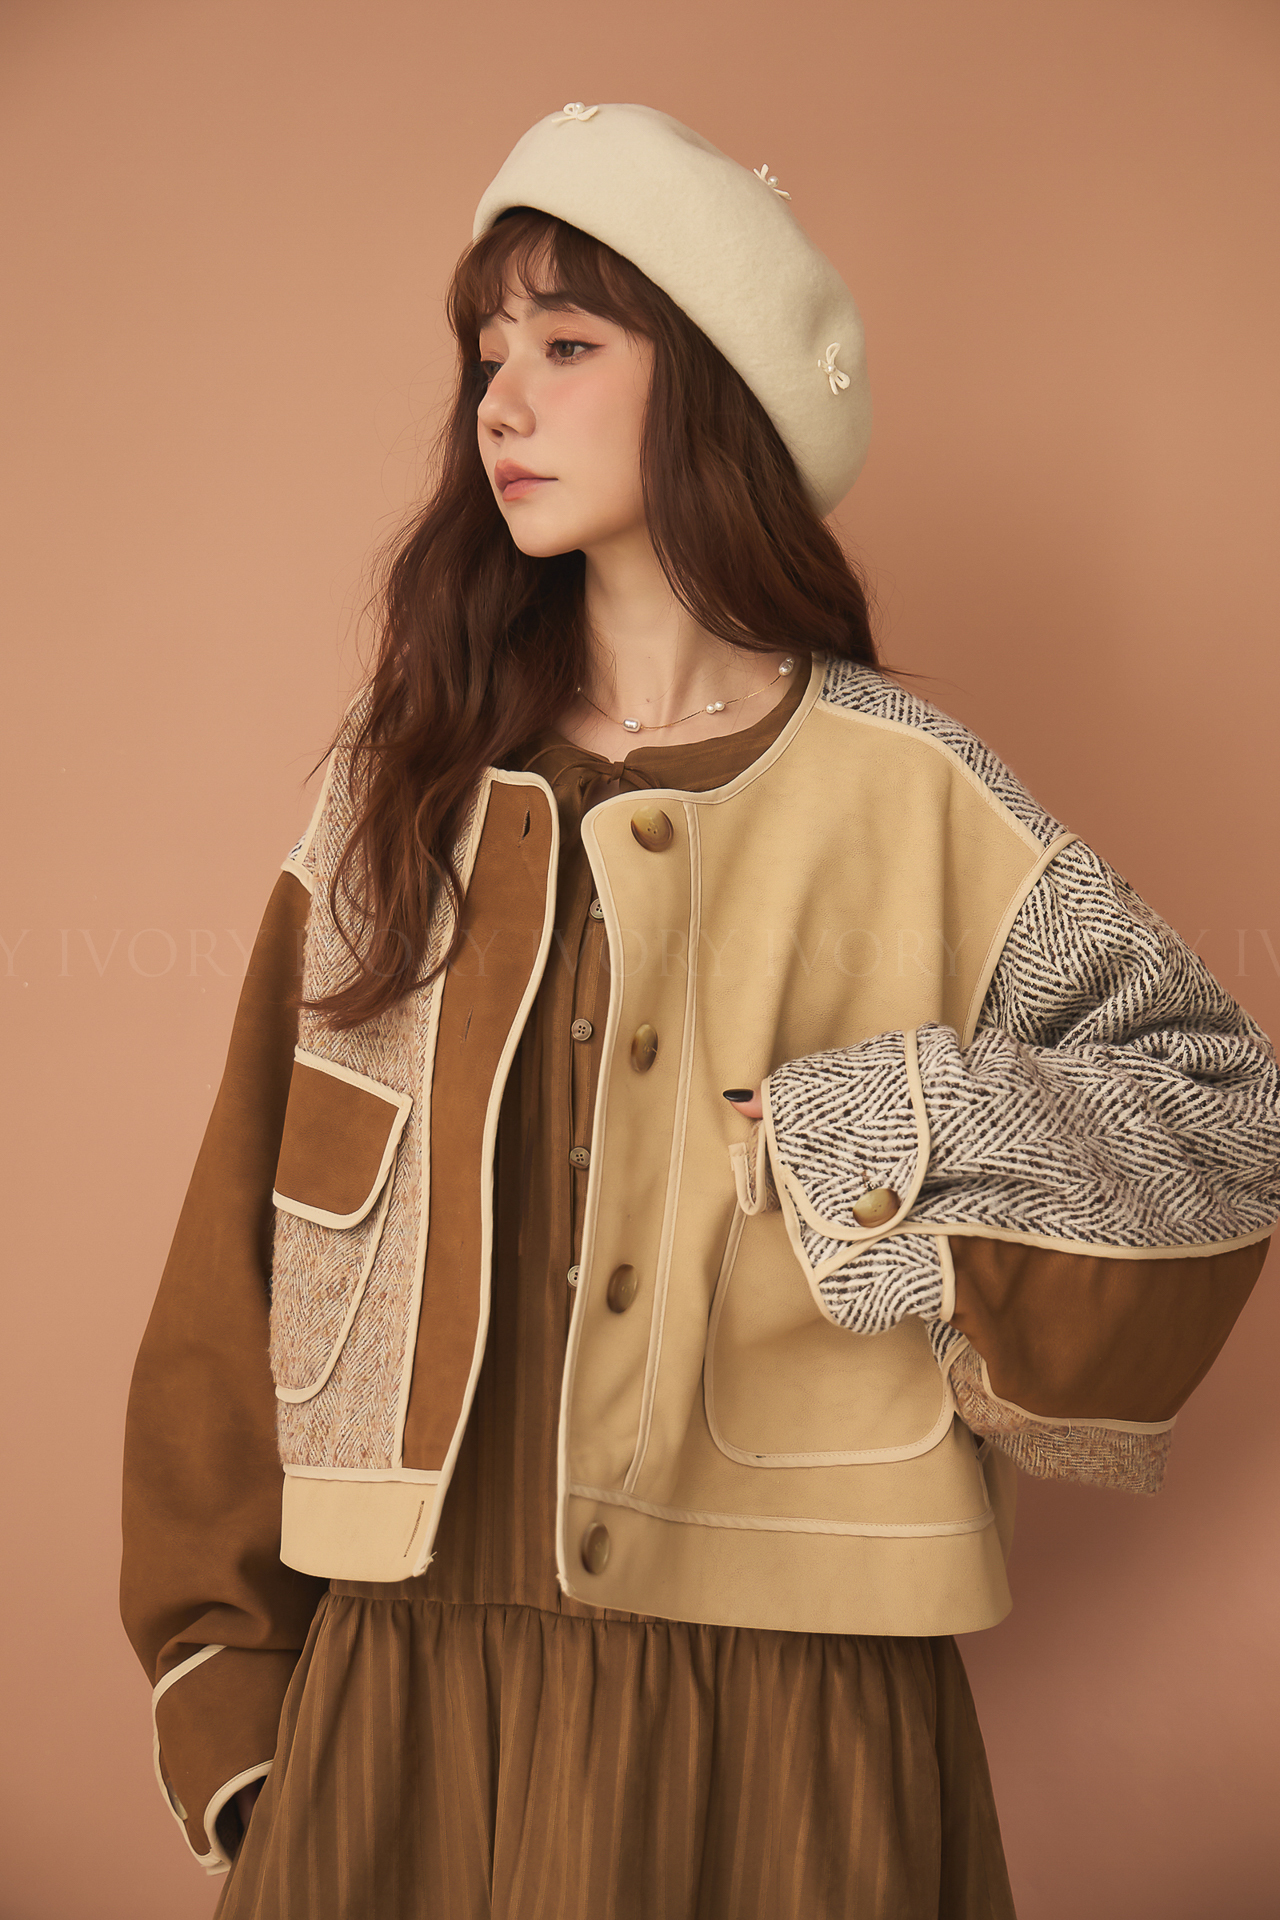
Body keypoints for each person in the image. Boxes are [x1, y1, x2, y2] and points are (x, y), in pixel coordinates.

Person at [120, 103, 1280, 1920]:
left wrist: (895, 1132)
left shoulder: (918, 800)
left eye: (568, 344)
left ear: (719, 384)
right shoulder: (394, 789)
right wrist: (226, 1686)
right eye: (487, 351)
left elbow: (1228, 1119)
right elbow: (234, 1251)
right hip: (404, 1708)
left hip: (794, 1723)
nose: (500, 401)